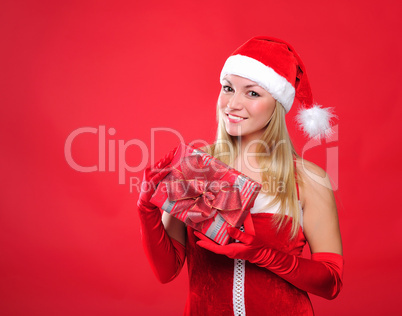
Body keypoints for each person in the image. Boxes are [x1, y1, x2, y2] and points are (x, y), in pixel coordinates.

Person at [137, 36, 343, 316]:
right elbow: (167, 271)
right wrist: (147, 210)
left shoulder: (307, 179)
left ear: (277, 104)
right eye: (228, 88)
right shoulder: (196, 168)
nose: (233, 103)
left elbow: (331, 283)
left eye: (253, 93)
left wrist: (265, 255)